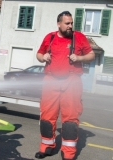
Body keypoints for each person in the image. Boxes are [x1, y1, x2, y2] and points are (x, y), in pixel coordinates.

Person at [35, 11, 95, 160]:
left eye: (71, 23)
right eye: (67, 23)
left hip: (72, 81)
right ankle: (46, 147)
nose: (70, 26)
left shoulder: (79, 37)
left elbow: (92, 55)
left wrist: (80, 57)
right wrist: (43, 57)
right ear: (59, 24)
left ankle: (68, 153)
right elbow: (38, 54)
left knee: (70, 119)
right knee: (47, 117)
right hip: (50, 81)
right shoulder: (50, 37)